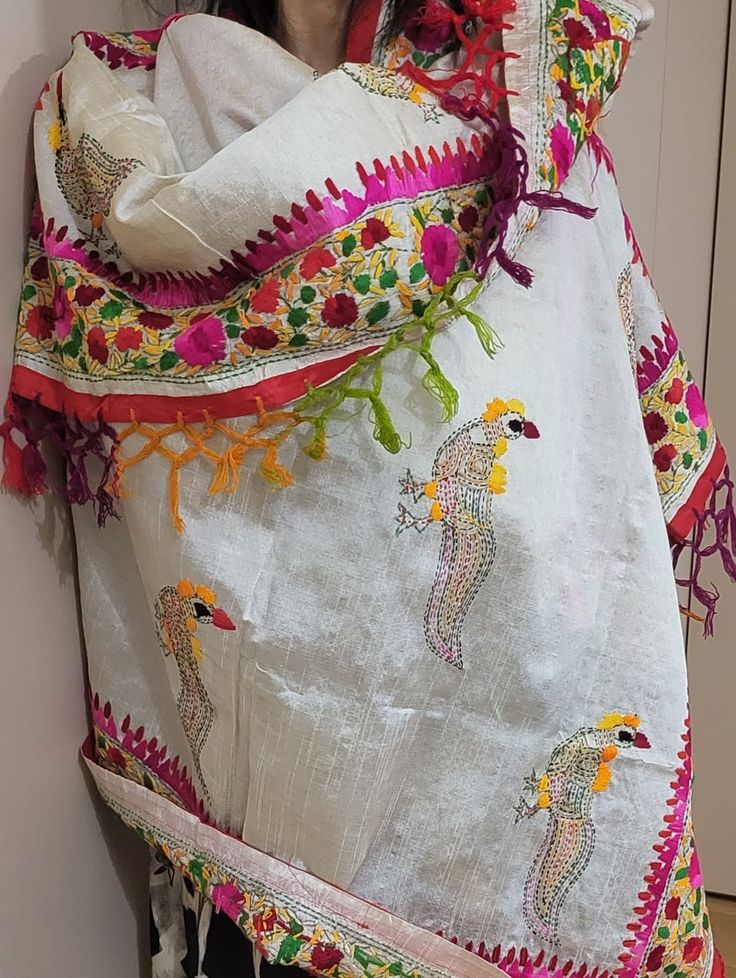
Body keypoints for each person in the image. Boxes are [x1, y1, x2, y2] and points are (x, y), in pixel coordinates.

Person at [2, 1, 731, 977]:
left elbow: (589, 410)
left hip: (517, 680)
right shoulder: (136, 117)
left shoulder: (514, 120)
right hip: (276, 745)